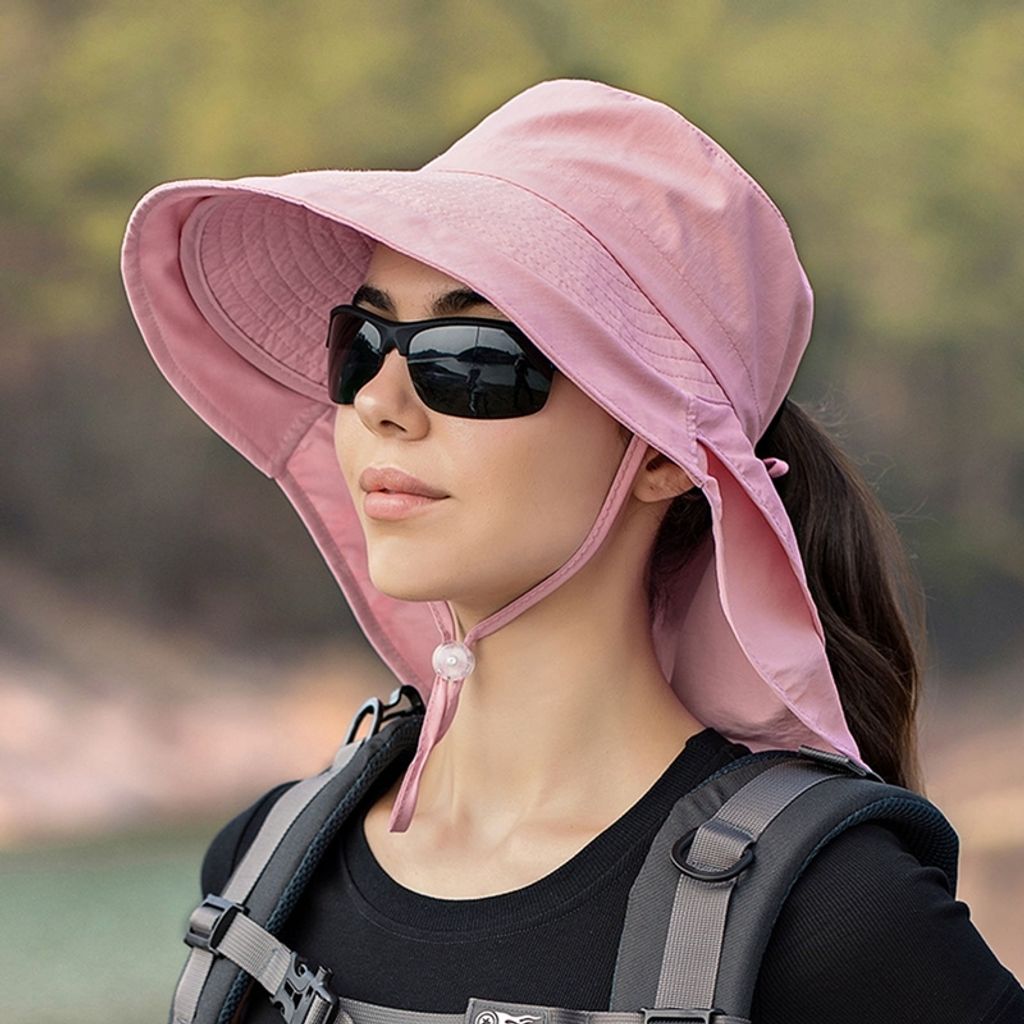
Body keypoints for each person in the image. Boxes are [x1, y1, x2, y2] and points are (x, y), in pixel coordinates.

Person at [120, 79, 1024, 1023]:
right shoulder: (264, 868)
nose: (381, 402)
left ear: (663, 455)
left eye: (473, 357)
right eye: (362, 342)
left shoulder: (833, 917)